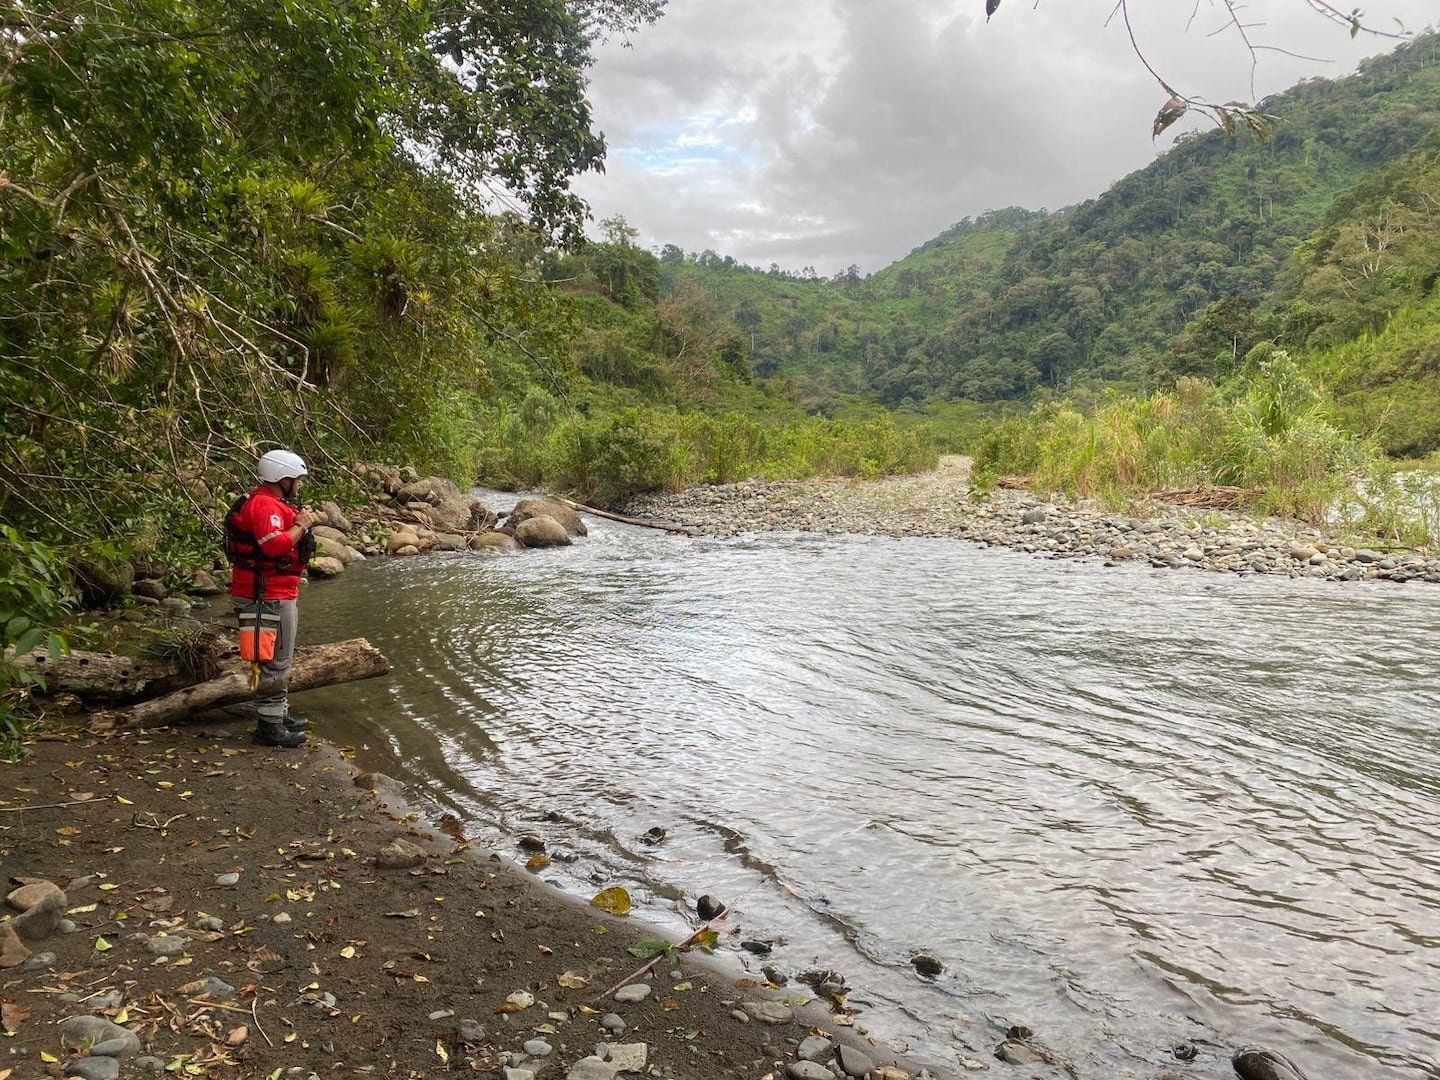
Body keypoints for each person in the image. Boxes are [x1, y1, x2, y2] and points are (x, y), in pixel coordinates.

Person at [224, 449, 318, 747]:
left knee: (277, 658)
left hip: (270, 593)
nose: (300, 485)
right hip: (267, 596)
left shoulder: (266, 502)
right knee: (276, 662)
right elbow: (274, 546)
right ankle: (269, 727)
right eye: (297, 479)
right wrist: (301, 524)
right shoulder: (264, 506)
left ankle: (278, 714)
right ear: (282, 479)